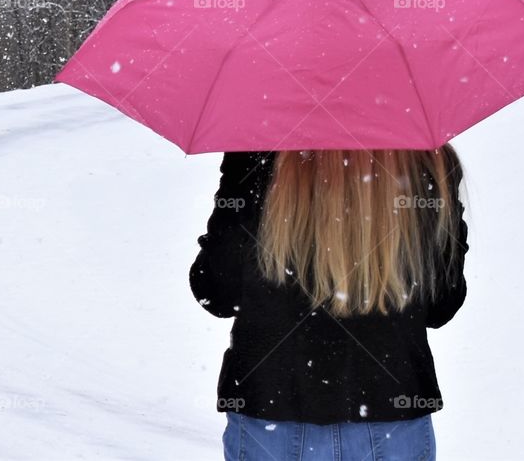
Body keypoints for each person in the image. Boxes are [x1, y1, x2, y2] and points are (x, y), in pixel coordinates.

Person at [189, 147, 469, 461]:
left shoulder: (257, 153)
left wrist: (236, 191)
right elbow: (441, 304)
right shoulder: (421, 157)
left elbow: (215, 293)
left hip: (272, 412)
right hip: (390, 416)